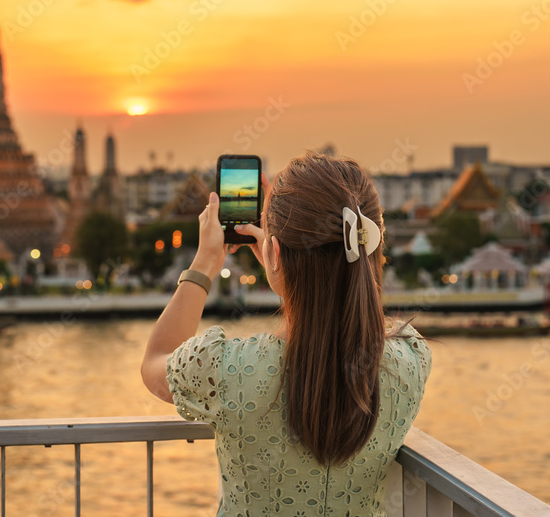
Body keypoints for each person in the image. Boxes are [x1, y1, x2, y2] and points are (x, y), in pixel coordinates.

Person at [141, 151, 431, 516]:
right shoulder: (410, 360)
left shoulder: (227, 369)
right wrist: (286, 268)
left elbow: (155, 361)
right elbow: (345, 296)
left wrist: (206, 262)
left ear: (273, 251)